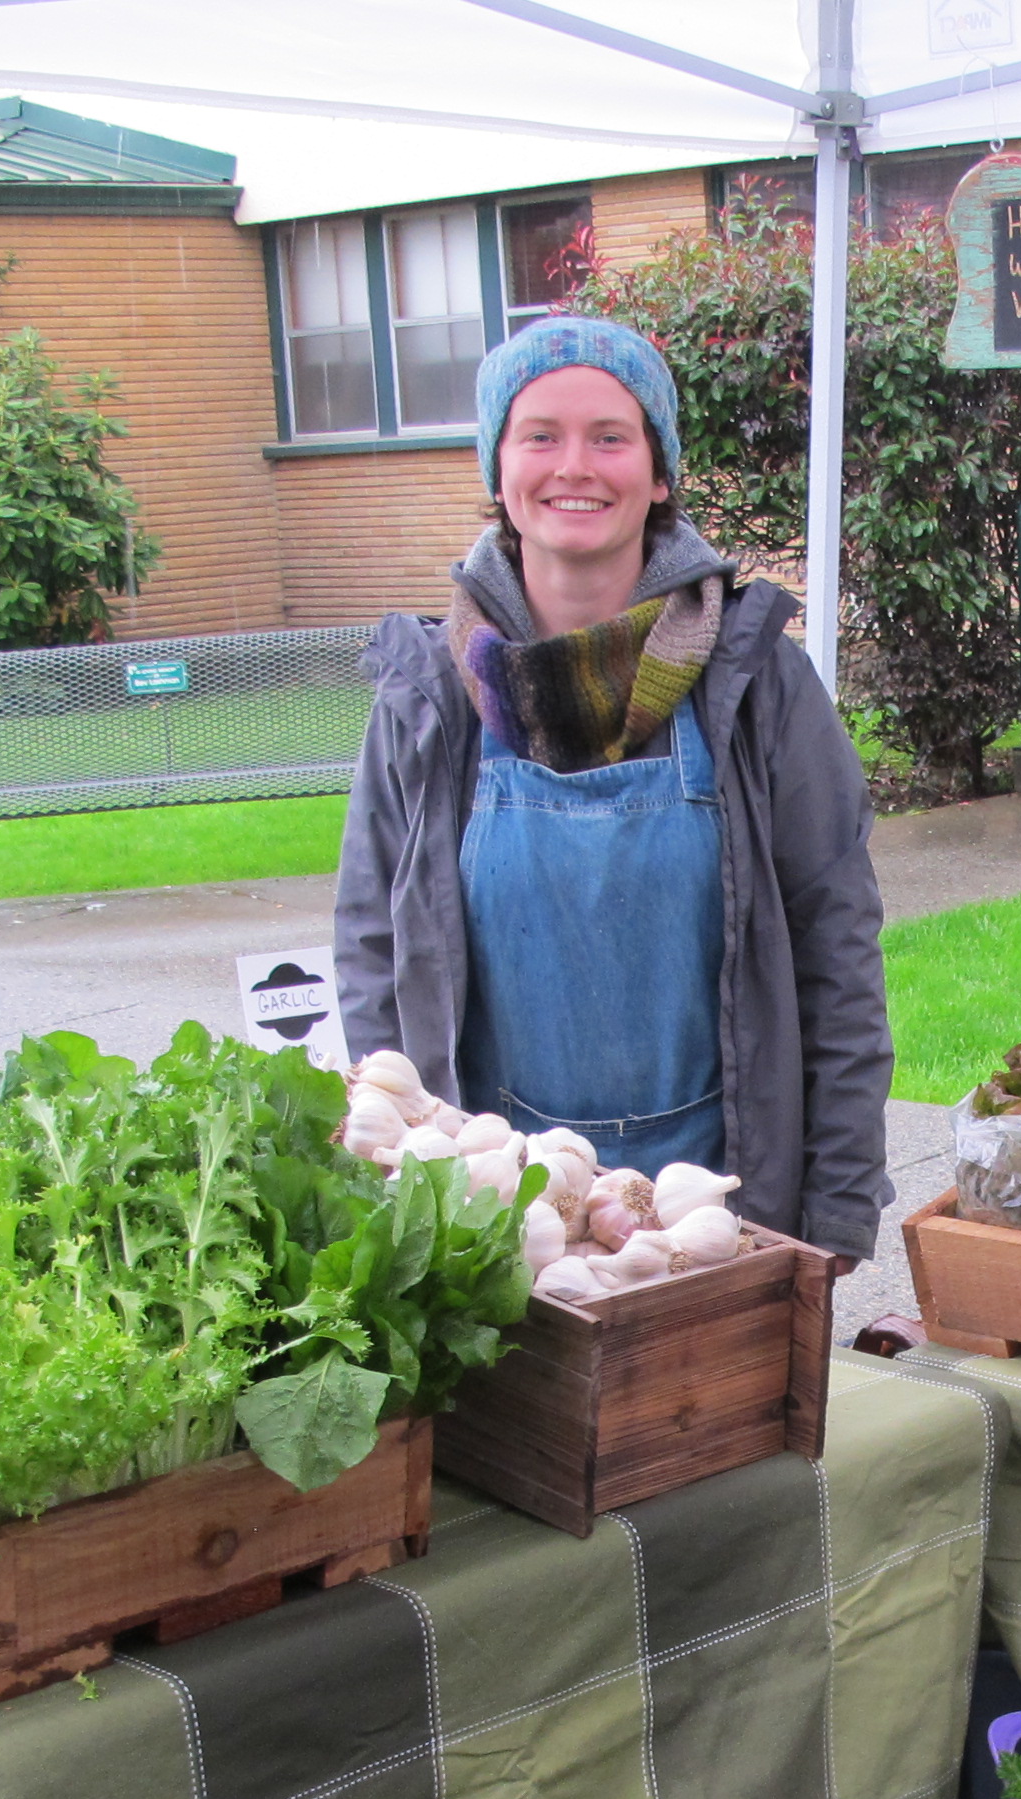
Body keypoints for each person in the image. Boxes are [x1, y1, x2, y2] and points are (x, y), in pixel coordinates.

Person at [331, 315, 893, 1263]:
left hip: (720, 1217)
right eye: (539, 435)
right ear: (497, 471)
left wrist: (835, 1211)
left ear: (660, 472)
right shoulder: (429, 697)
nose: (574, 466)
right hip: (504, 1230)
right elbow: (372, 951)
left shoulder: (754, 686)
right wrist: (404, 1164)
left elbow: (837, 958)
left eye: (611, 436)